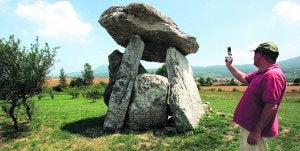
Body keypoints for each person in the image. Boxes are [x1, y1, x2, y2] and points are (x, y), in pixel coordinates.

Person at [225, 42, 286, 150]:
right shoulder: (262, 72)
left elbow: (271, 105)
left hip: (254, 128)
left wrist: (257, 131)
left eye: (255, 53)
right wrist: (229, 66)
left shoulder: (272, 75)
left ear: (261, 54)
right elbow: (244, 78)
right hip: (250, 126)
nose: (253, 56)